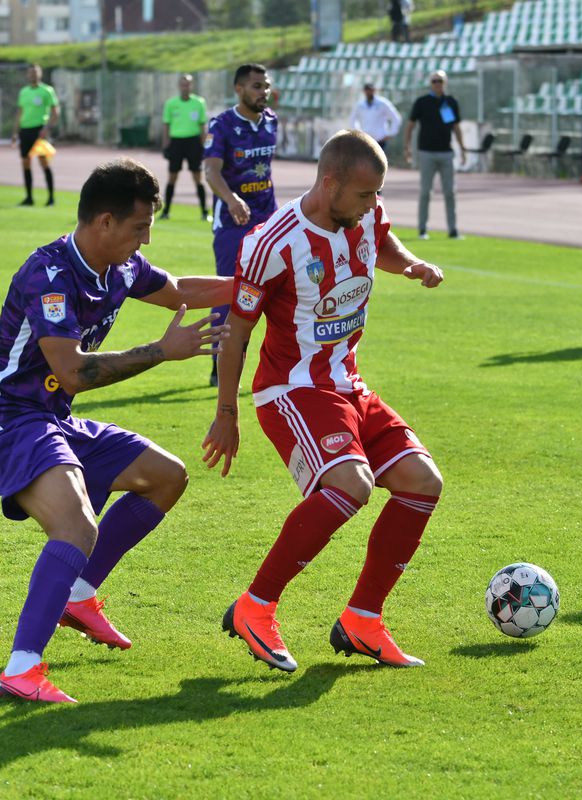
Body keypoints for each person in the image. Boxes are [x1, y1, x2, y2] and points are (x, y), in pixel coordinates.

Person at [0, 159, 232, 703]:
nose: (145, 240)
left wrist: (257, 287)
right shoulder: (50, 274)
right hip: (10, 420)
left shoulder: (120, 268)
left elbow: (178, 289)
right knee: (76, 528)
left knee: (166, 477)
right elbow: (72, 372)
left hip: (54, 419)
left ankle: (78, 597)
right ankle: (20, 670)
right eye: (139, 229)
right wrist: (160, 352)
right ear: (104, 222)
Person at [202, 130, 445, 672]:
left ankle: (363, 620)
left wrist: (410, 264)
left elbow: (383, 241)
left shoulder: (363, 214)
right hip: (292, 390)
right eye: (364, 195)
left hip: (348, 383)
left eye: (377, 195)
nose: (372, 205)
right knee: (350, 483)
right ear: (330, 183)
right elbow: (237, 331)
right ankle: (255, 607)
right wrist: (227, 413)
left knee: (422, 482)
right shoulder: (272, 242)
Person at [203, 63, 278, 387]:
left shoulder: (271, 122)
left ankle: (281, 364)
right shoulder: (221, 125)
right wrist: (232, 200)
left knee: (274, 290)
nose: (264, 91)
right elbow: (211, 172)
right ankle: (220, 364)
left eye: (266, 85)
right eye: (257, 86)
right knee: (231, 291)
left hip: (267, 220)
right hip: (233, 222)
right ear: (239, 89)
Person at [404, 70, 465, 240]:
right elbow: (410, 125)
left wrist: (462, 148)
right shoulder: (422, 102)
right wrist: (407, 147)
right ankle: (422, 229)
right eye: (434, 81)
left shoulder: (450, 102)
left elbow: (456, 127)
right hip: (427, 153)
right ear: (430, 83)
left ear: (445, 83)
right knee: (425, 192)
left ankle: (453, 230)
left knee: (450, 192)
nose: (437, 83)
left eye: (440, 81)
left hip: (446, 152)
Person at [160, 74, 211, 222]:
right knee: (172, 177)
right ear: (179, 86)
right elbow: (166, 125)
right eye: (183, 84)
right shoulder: (171, 104)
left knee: (197, 177)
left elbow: (202, 126)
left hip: (193, 142)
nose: (185, 87)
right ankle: (166, 211)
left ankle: (204, 212)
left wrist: (205, 146)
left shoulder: (199, 102)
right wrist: (165, 145)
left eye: (188, 84)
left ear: (191, 86)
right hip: (176, 142)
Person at [12, 64, 60, 207]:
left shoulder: (47, 90)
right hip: (25, 130)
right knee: (25, 163)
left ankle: (51, 198)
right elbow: (20, 113)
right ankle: (29, 198)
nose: (33, 75)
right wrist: (15, 132)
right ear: (27, 75)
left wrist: (47, 128)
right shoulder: (24, 92)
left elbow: (55, 112)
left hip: (39, 131)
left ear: (40, 74)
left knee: (43, 162)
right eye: (30, 72)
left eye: (35, 72)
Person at [350, 82, 403, 156]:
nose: (369, 92)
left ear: (374, 90)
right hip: (365, 139)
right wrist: (357, 133)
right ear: (364, 91)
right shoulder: (360, 105)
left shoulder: (383, 103)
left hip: (380, 139)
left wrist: (391, 133)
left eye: (371, 90)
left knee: (378, 163)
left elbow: (396, 118)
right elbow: (352, 119)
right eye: (367, 90)